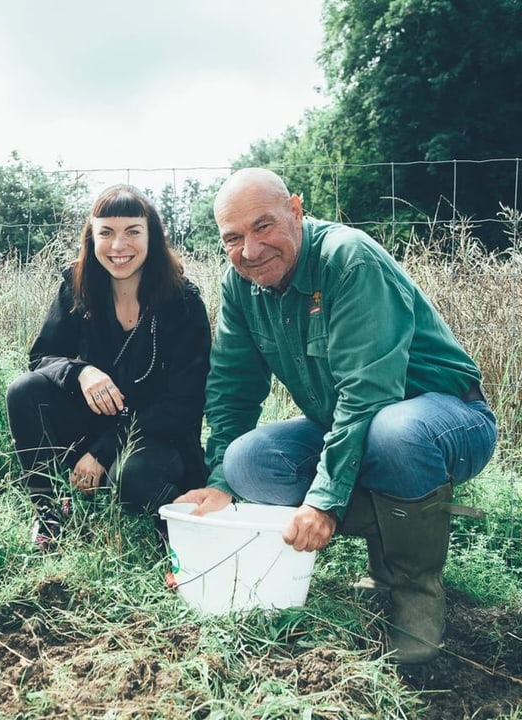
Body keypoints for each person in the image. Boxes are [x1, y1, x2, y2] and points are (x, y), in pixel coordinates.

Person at [175, 167, 497, 665]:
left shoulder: (348, 259)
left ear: (296, 210)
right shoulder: (240, 286)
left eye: (264, 227)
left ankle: (412, 589)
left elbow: (369, 395)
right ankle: (398, 523)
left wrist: (324, 501)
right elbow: (232, 389)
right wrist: (219, 479)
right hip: (353, 425)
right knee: (248, 462)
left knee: (395, 431)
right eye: (233, 239)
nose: (251, 251)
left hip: (447, 417)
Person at [6, 184, 211, 549]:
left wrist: (103, 452)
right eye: (107, 233)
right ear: (92, 236)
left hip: (156, 436)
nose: (119, 247)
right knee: (24, 390)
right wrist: (81, 372)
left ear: (152, 236)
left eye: (133, 231)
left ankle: (171, 517)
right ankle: (51, 515)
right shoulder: (76, 286)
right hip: (89, 424)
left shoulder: (183, 302)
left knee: (131, 476)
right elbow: (42, 357)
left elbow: (184, 402)